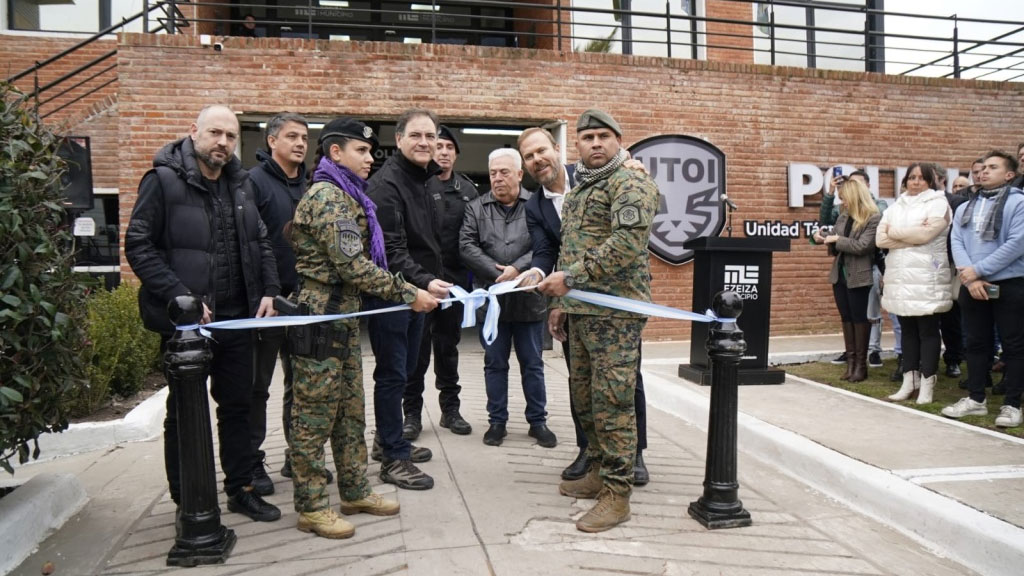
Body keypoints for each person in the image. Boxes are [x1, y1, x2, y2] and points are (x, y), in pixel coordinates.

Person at [125, 104, 282, 522]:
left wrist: (269, 289)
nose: (223, 143)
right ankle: (188, 502)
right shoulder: (162, 181)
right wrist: (180, 297)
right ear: (193, 131)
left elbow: (260, 242)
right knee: (183, 416)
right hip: (190, 326)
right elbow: (138, 245)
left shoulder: (242, 185)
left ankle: (241, 490)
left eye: (230, 137)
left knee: (239, 408)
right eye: (215, 133)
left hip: (238, 320)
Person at [288, 117, 438, 539]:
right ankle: (313, 505)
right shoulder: (329, 198)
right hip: (321, 320)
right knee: (314, 418)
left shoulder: (350, 195)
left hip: (344, 319)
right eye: (362, 151)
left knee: (350, 413)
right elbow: (355, 267)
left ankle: (354, 489)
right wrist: (409, 293)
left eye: (372, 151)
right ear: (336, 153)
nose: (371, 158)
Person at [538, 109, 659, 533]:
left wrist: (570, 279)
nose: (594, 144)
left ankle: (617, 494)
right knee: (585, 399)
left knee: (613, 403)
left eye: (602, 136)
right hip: (581, 313)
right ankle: (598, 472)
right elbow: (570, 248)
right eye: (587, 137)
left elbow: (627, 243)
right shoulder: (579, 190)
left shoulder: (630, 182)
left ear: (618, 140)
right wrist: (561, 304)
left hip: (616, 315)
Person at [516, 127, 651, 486]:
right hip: (575, 299)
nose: (537, 160)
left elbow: (627, 236)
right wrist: (538, 274)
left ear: (558, 148)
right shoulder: (535, 205)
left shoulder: (597, 174)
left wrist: (632, 167)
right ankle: (589, 450)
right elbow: (549, 251)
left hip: (615, 301)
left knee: (622, 380)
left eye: (541, 150)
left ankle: (633, 453)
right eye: (529, 157)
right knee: (582, 379)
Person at [365, 108, 451, 491]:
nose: (424, 143)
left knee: (409, 371)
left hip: (419, 296)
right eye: (416, 136)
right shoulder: (387, 185)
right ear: (398, 140)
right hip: (394, 296)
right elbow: (392, 249)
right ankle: (393, 459)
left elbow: (429, 242)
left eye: (430, 137)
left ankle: (389, 439)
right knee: (392, 374)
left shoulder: (427, 180)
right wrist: (426, 281)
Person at [461, 148, 555, 448]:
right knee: (495, 364)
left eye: (504, 172)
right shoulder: (476, 208)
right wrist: (495, 271)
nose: (497, 178)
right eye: (492, 173)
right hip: (493, 305)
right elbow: (466, 245)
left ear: (519, 174)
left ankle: (538, 422)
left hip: (530, 301)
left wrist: (518, 269)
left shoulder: (538, 205)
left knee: (533, 363)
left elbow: (547, 244)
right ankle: (497, 422)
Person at [249, 112, 314, 491]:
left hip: (305, 303)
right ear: (272, 141)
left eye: (304, 137)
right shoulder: (252, 184)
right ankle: (253, 463)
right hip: (267, 304)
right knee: (257, 387)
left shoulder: (309, 187)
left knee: (302, 384)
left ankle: (298, 456)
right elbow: (251, 245)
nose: (300, 143)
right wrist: (267, 291)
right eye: (292, 136)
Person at [942, 150, 1023, 428]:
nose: (983, 172)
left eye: (993, 167)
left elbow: (1016, 244)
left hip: (1010, 283)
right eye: (981, 168)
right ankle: (976, 399)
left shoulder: (1019, 203)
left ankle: (1012, 404)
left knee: (1013, 345)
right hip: (972, 284)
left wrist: (979, 271)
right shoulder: (966, 206)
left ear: (1009, 174)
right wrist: (971, 277)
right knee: (976, 343)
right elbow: (957, 241)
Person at [405, 125, 477, 437]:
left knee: (448, 349)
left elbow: (476, 239)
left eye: (450, 147)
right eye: (440, 145)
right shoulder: (417, 186)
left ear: (456, 154)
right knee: (416, 352)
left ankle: (451, 410)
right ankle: (411, 414)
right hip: (420, 285)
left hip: (455, 287)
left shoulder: (468, 191)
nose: (444, 151)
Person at [877, 162, 953, 404]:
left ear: (931, 181)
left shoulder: (938, 203)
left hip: (926, 277)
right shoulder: (895, 206)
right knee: (907, 332)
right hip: (899, 277)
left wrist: (896, 233)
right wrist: (911, 237)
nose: (916, 182)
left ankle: (928, 383)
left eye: (921, 178)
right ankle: (909, 381)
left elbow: (925, 235)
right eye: (911, 177)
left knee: (928, 331)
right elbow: (880, 239)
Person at [813, 178, 881, 382]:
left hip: (860, 274)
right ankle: (851, 363)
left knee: (859, 318)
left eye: (845, 199)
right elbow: (833, 236)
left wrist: (837, 240)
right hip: (840, 274)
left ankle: (861, 365)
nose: (843, 203)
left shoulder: (873, 217)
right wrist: (820, 237)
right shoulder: (843, 217)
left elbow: (863, 246)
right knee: (846, 317)